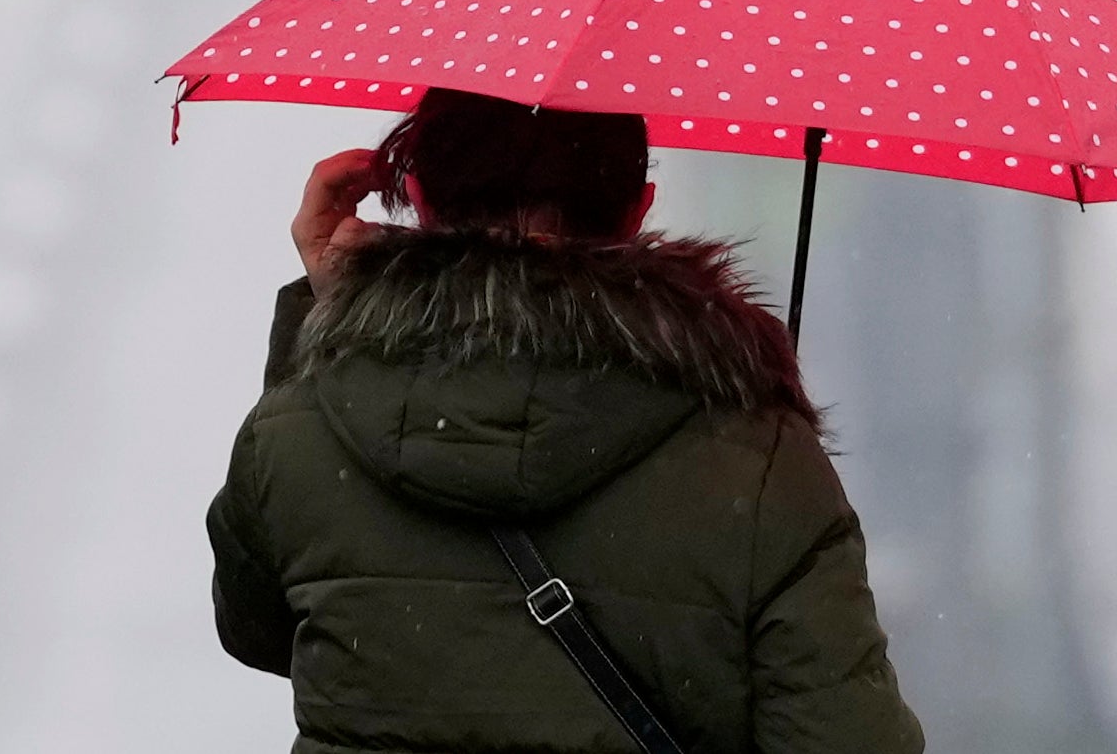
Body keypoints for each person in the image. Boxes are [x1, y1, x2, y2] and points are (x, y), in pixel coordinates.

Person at [206, 88, 921, 753]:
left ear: (416, 197)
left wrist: (324, 324)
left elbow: (259, 627)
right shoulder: (758, 461)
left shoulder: (301, 434)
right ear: (639, 208)